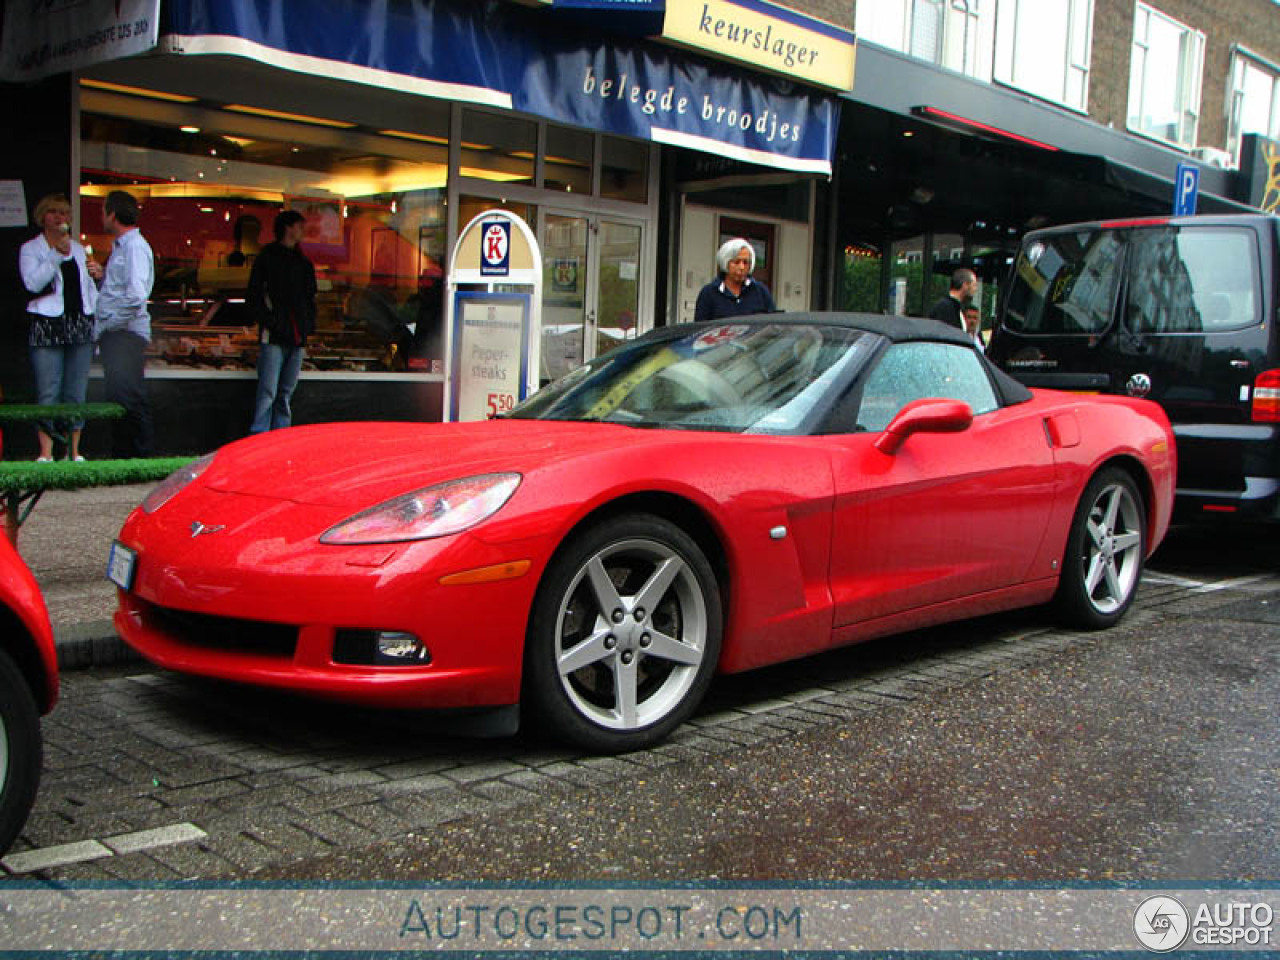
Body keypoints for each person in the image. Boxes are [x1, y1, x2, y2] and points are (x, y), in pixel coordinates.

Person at [19, 193, 98, 462]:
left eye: (64, 213)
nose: (60, 218)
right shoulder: (31, 249)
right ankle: (46, 452)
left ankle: (74, 452)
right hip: (47, 323)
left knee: (76, 391)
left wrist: (98, 276)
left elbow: (87, 288)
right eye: (54, 212)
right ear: (43, 217)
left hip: (79, 322)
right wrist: (55, 255)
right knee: (48, 389)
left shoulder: (78, 248)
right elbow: (32, 284)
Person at [89, 190, 155, 458]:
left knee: (128, 398)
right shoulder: (122, 247)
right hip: (119, 333)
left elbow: (137, 295)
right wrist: (105, 276)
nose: (101, 216)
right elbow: (125, 287)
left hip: (124, 334)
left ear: (113, 214)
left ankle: (137, 456)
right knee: (120, 397)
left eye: (104, 211)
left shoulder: (134, 247)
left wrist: (110, 323)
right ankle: (125, 455)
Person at [248, 210, 316, 433]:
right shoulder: (275, 259)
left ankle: (271, 436)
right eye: (299, 226)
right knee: (275, 392)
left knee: (279, 392)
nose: (302, 230)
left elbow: (308, 298)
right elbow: (255, 296)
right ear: (288, 227)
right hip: (281, 334)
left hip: (288, 334)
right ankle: (269, 435)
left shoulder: (300, 262)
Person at [693, 238, 776, 323]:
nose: (741, 267)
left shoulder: (761, 292)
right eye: (736, 262)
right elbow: (699, 330)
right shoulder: (708, 293)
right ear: (725, 263)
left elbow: (774, 325)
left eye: (745, 262)